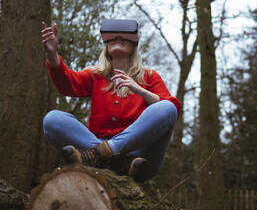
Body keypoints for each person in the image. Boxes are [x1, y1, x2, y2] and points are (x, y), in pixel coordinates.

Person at [41, 19, 181, 182]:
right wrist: (51, 53)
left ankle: (102, 154)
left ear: (134, 46)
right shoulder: (95, 76)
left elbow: (171, 110)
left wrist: (138, 89)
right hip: (97, 147)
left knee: (166, 107)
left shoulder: (149, 77)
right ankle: (114, 160)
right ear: (106, 45)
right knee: (52, 119)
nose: (117, 39)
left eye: (123, 37)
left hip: (139, 157)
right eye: (113, 38)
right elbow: (67, 84)